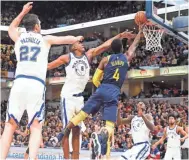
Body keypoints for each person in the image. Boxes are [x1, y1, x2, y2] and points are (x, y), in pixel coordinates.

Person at [0, 2, 83, 159]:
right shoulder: (45, 39)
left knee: (9, 126)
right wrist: (77, 38)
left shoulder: (19, 37)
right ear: (37, 27)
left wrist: (22, 12)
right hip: (36, 85)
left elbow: (11, 27)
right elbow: (66, 39)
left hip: (19, 83)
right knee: (36, 127)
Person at [48, 29, 135, 159]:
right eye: (79, 43)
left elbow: (105, 45)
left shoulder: (88, 55)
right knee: (67, 129)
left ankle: (75, 158)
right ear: (73, 47)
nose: (82, 44)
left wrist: (120, 36)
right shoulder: (67, 57)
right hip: (68, 96)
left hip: (80, 98)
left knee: (77, 130)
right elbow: (48, 66)